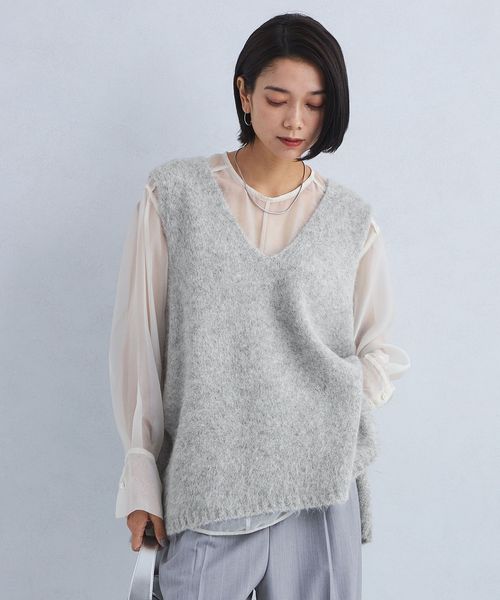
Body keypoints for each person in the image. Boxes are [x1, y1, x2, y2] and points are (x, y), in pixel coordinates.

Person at [109, 12, 410, 600]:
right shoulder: (174, 196)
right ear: (244, 94)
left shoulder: (352, 220)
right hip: (208, 485)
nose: (296, 120)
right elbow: (139, 344)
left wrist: (325, 405)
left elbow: (379, 349)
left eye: (315, 104)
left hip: (320, 491)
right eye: (277, 99)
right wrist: (141, 474)